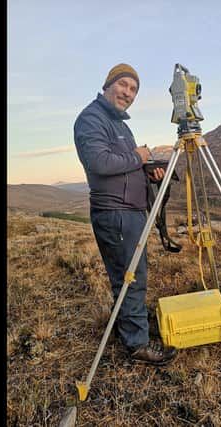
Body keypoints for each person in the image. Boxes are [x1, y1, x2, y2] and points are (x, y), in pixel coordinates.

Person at [73, 63, 178, 365]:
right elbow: (100, 163)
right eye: (123, 85)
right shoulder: (91, 119)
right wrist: (138, 155)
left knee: (133, 274)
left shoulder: (119, 123)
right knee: (130, 278)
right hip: (115, 214)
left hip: (130, 213)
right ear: (108, 85)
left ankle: (131, 323)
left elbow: (125, 166)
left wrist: (150, 172)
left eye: (133, 89)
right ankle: (137, 343)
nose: (128, 93)